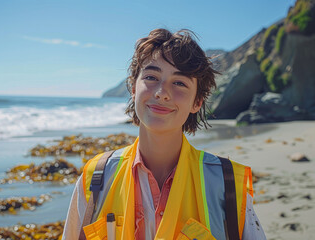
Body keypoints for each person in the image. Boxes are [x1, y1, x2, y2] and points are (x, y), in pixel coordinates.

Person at [62, 28, 266, 240]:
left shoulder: (227, 183)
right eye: (151, 77)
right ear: (133, 88)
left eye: (179, 83)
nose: (161, 92)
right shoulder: (96, 177)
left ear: (197, 102)